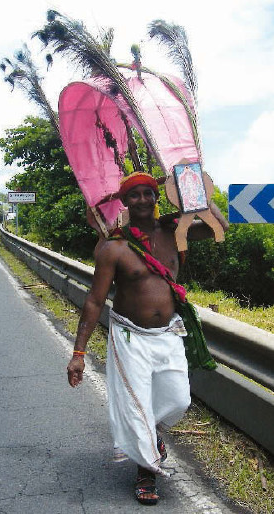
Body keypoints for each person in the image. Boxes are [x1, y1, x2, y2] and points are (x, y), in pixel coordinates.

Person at [67, 172, 228, 505]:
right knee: (138, 405)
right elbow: (95, 300)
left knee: (179, 399)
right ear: (125, 202)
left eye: (148, 193)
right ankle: (146, 472)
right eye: (134, 195)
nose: (142, 200)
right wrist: (79, 352)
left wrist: (193, 187)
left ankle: (151, 436)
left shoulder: (175, 233)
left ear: (157, 198)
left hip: (169, 333)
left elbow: (219, 228)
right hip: (129, 336)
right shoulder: (114, 247)